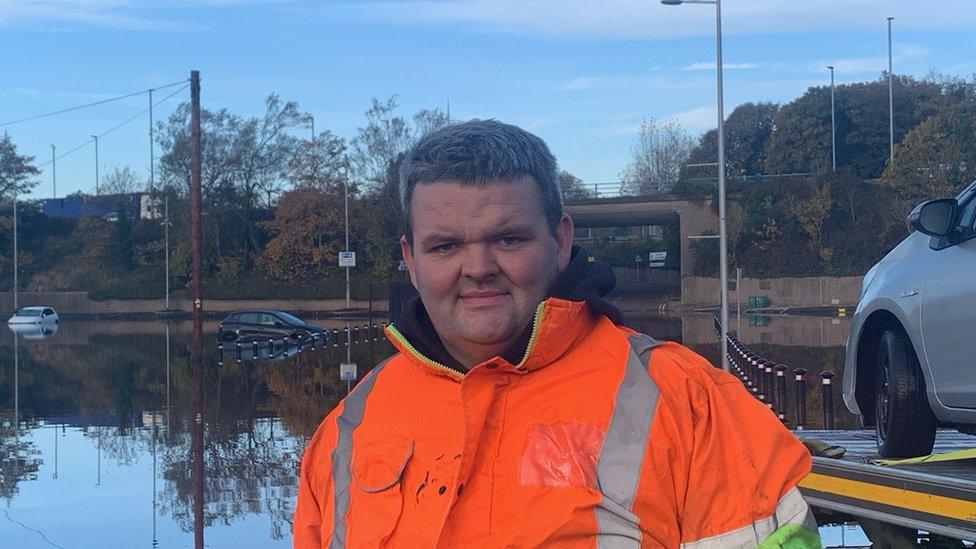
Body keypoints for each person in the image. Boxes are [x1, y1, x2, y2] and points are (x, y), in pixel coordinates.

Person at [294, 120, 820, 548]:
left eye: (508, 238)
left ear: (561, 239)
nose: (478, 267)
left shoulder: (691, 406)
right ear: (409, 259)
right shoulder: (348, 427)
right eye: (445, 246)